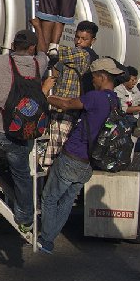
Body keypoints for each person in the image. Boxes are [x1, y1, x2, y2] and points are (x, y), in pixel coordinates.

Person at [37, 57, 124, 253]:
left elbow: (68, 104)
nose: (92, 81)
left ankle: (47, 239)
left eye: (93, 78)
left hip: (73, 155)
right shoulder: (114, 101)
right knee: (67, 201)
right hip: (88, 161)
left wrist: (45, 95)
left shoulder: (95, 97)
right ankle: (49, 239)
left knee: (50, 198)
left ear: (102, 77)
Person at [0, 28, 48, 233]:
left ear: (13, 45)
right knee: (21, 175)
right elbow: (44, 53)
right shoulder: (39, 64)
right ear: (32, 48)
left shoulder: (0, 62)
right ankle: (25, 219)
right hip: (24, 130)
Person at [41, 21, 99, 170]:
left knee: (55, 154)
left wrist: (42, 33)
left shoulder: (85, 55)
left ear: (93, 41)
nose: (79, 42)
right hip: (57, 109)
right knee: (51, 150)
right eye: (77, 37)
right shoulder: (72, 57)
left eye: (84, 39)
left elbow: (55, 52)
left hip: (68, 112)